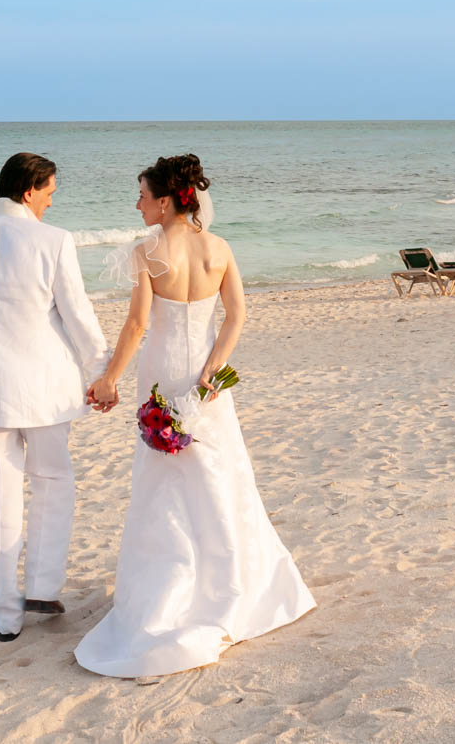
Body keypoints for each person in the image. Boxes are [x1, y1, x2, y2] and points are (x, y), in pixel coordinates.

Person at [75, 153, 315, 677]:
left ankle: (171, 585)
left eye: (141, 195)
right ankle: (230, 582)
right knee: (219, 472)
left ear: (165, 200)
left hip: (161, 374)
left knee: (165, 481)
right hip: (205, 381)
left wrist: (110, 378)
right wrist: (212, 371)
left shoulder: (148, 253)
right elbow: (237, 315)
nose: (137, 204)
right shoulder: (219, 248)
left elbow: (138, 324)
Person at [0, 152, 111, 642]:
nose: (51, 203)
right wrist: (100, 369)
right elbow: (76, 313)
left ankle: (6, 610)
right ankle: (43, 586)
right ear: (29, 190)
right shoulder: (53, 241)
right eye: (50, 192)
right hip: (47, 388)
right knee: (53, 480)